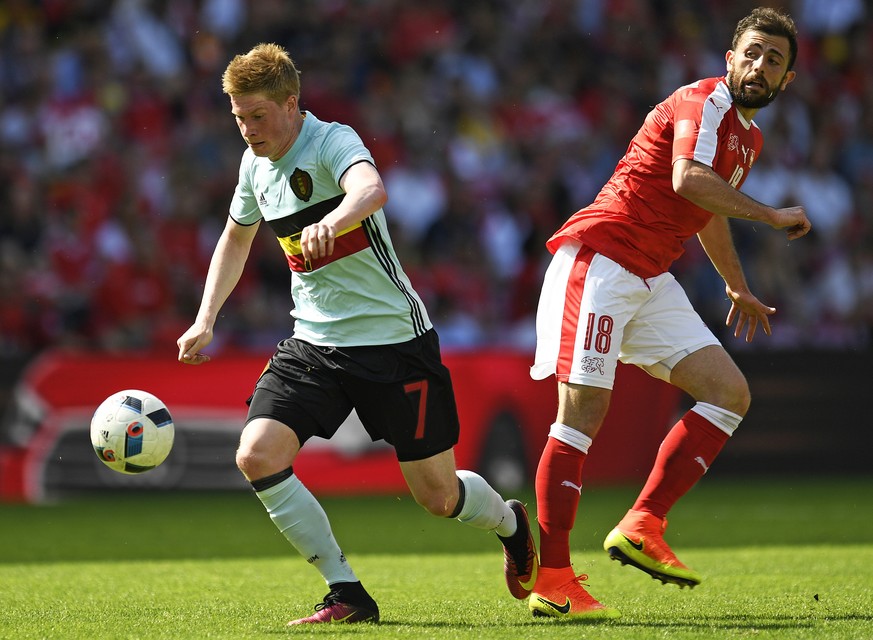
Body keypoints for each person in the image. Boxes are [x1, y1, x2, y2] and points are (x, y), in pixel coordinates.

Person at [176, 43, 538, 626]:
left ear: (290, 103)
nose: (247, 129)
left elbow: (371, 190)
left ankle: (510, 522)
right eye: (239, 117)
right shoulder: (253, 166)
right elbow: (236, 238)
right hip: (314, 344)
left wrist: (334, 218)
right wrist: (205, 317)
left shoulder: (331, 140)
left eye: (257, 115)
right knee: (256, 455)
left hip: (393, 341)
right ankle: (345, 591)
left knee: (439, 497)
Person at [527, 7, 811, 620]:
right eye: (752, 53)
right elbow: (687, 180)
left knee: (728, 393)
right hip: (602, 262)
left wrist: (736, 285)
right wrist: (770, 215)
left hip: (650, 276)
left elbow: (706, 209)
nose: (759, 66)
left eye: (774, 60)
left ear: (786, 80)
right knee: (581, 415)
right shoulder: (703, 101)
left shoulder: (748, 137)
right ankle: (552, 579)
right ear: (730, 57)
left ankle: (643, 523)